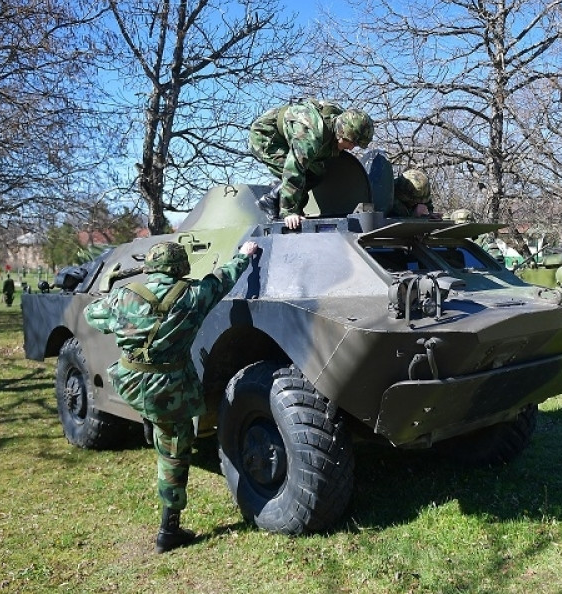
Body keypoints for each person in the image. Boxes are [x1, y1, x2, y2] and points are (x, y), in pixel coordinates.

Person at [84, 239, 260, 554]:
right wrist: (244, 255)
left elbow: (92, 316)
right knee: (173, 453)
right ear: (181, 268)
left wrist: (112, 296)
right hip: (167, 388)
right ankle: (169, 530)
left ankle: (151, 422)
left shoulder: (125, 296)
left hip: (130, 381)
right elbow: (222, 278)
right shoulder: (193, 296)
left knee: (156, 415)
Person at [249, 98, 374, 230]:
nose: (351, 148)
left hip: (289, 135)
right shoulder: (311, 136)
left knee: (317, 173)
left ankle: (275, 196)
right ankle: (273, 202)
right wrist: (290, 212)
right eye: (351, 143)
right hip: (266, 136)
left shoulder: (342, 120)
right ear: (341, 133)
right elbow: (294, 169)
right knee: (301, 175)